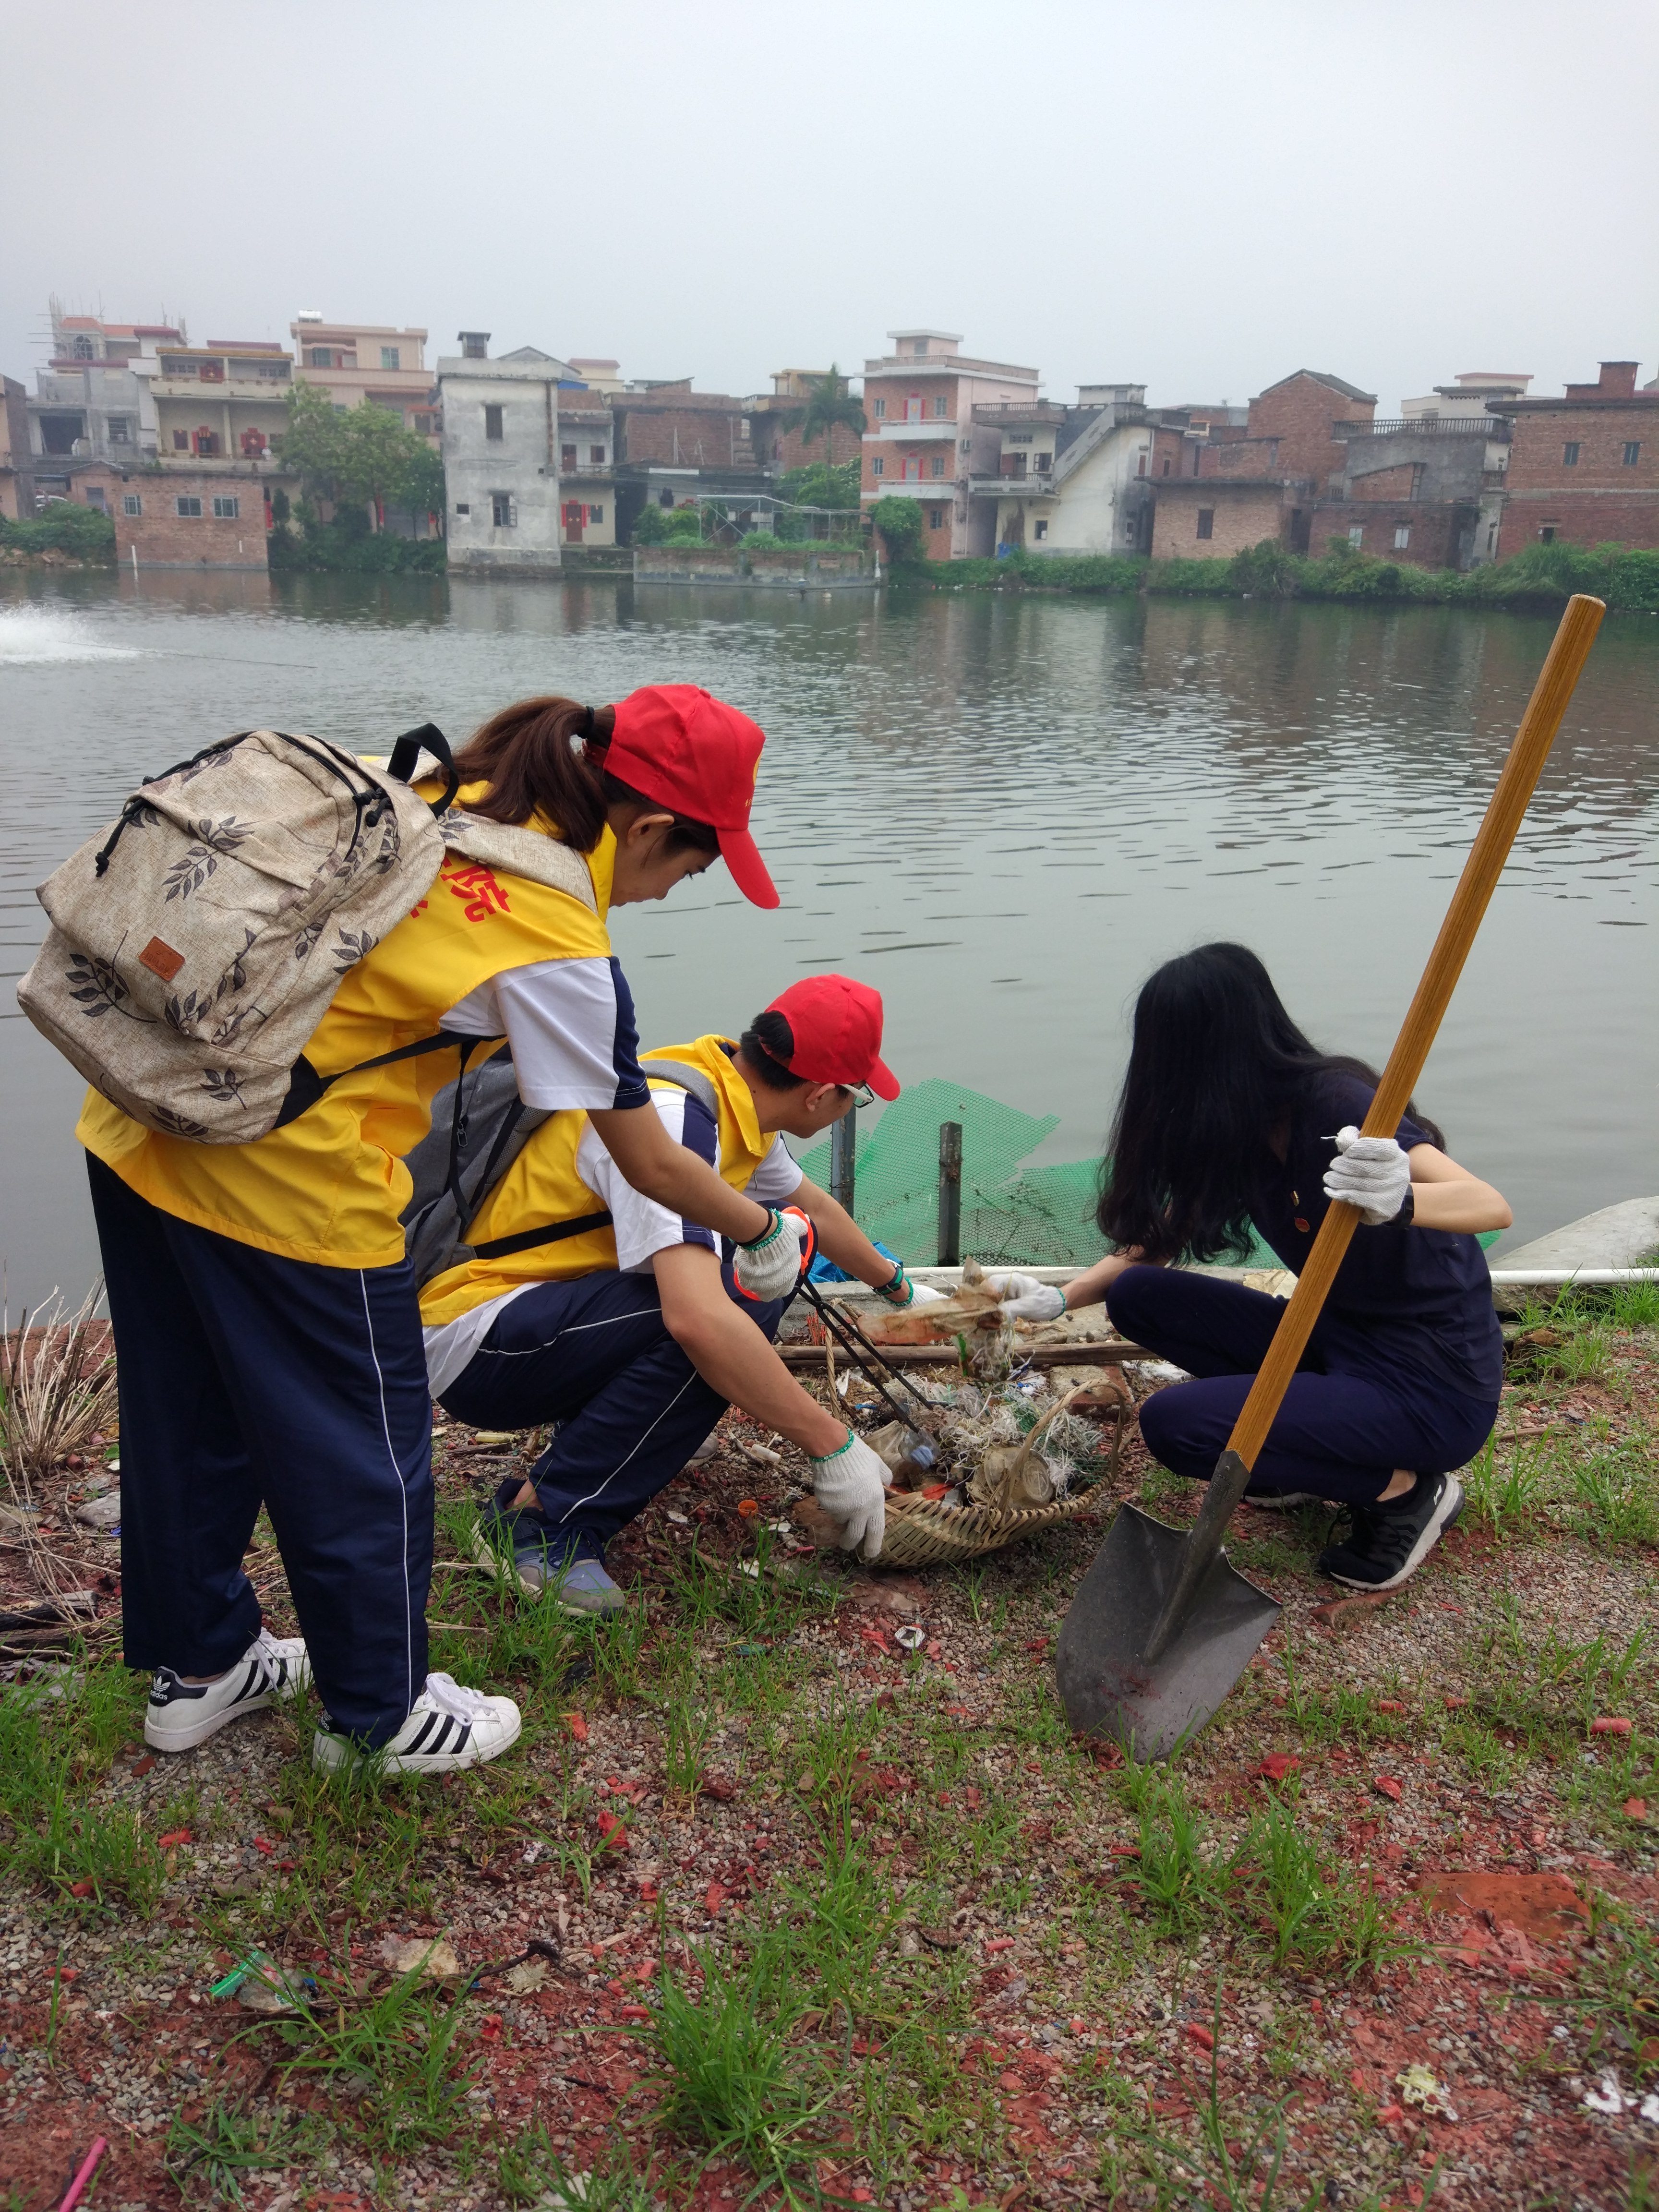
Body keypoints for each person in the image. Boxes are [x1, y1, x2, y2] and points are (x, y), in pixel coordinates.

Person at [81, 686, 816, 1773]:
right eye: (685, 872)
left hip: (145, 1109)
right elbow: (652, 1158)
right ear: (650, 829)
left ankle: (203, 1665)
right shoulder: (552, 922)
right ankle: (379, 1719)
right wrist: (761, 1223)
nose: (664, 896)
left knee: (191, 1410)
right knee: (368, 1448)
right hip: (288, 1179)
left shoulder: (436, 785)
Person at [986, 943, 1510, 1592]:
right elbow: (1162, 1237)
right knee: (1141, 1295)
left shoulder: (1339, 1107)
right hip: (1338, 1340)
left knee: (1175, 1427)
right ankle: (1297, 1455)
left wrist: (1400, 1197)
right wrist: (1064, 1299)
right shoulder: (1241, 1126)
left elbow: (1491, 1206)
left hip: (1431, 1384)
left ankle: (1404, 1494)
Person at [419, 975, 936, 1605]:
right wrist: (833, 1446)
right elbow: (696, 1320)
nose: (848, 1109)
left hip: (539, 1319)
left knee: (747, 1280)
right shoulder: (676, 1120)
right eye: (855, 1097)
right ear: (822, 1095)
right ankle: (543, 1528)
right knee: (734, 1300)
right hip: (479, 1342)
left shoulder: (724, 1091)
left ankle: (606, 1447)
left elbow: (814, 1212)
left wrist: (903, 1292)